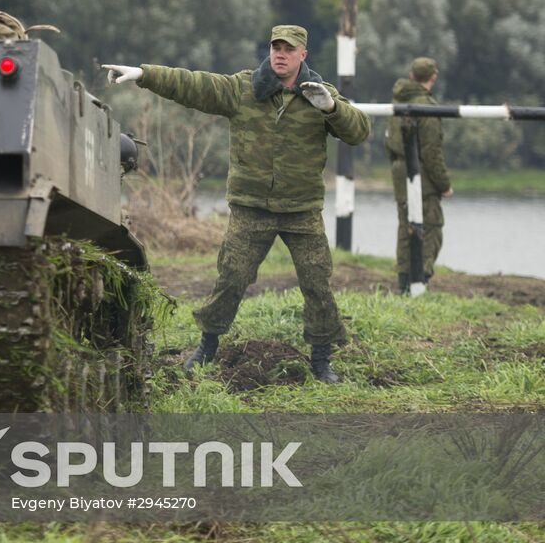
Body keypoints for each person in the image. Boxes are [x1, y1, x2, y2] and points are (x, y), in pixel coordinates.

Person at [103, 25, 370, 383]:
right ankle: (207, 345)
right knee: (231, 278)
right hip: (251, 207)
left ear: (302, 54)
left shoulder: (319, 94)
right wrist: (143, 74)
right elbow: (194, 85)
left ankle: (321, 359)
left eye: (288, 49)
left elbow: (358, 132)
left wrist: (332, 108)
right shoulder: (243, 89)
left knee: (317, 284)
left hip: (301, 210)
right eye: (276, 47)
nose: (280, 53)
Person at [386, 57, 452, 292]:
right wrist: (444, 184)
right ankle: (420, 278)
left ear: (412, 75)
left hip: (398, 170)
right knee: (431, 226)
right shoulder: (426, 105)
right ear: (433, 77)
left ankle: (403, 281)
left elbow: (389, 141)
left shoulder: (398, 100)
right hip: (420, 174)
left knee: (406, 227)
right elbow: (431, 151)